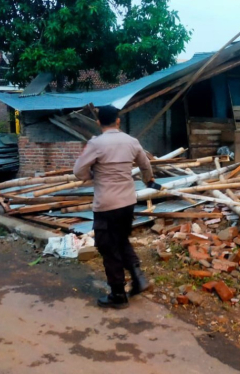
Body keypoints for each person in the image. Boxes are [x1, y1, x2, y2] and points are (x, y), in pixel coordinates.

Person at [73, 105, 154, 309]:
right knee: (121, 239)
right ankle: (138, 278)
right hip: (127, 202)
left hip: (106, 204)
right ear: (118, 121)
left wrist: (91, 177)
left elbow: (78, 170)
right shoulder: (131, 141)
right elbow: (146, 165)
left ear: (98, 122)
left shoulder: (96, 144)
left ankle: (118, 294)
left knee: (108, 247)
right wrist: (148, 180)